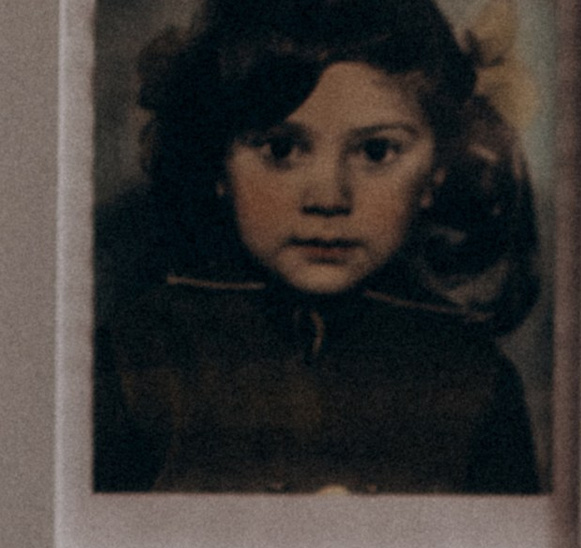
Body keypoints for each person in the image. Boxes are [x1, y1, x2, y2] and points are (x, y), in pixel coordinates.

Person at [94, 1, 544, 497]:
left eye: (376, 151)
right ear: (218, 162)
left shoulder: (473, 379)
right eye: (281, 150)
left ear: (437, 170)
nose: (328, 198)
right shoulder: (137, 355)